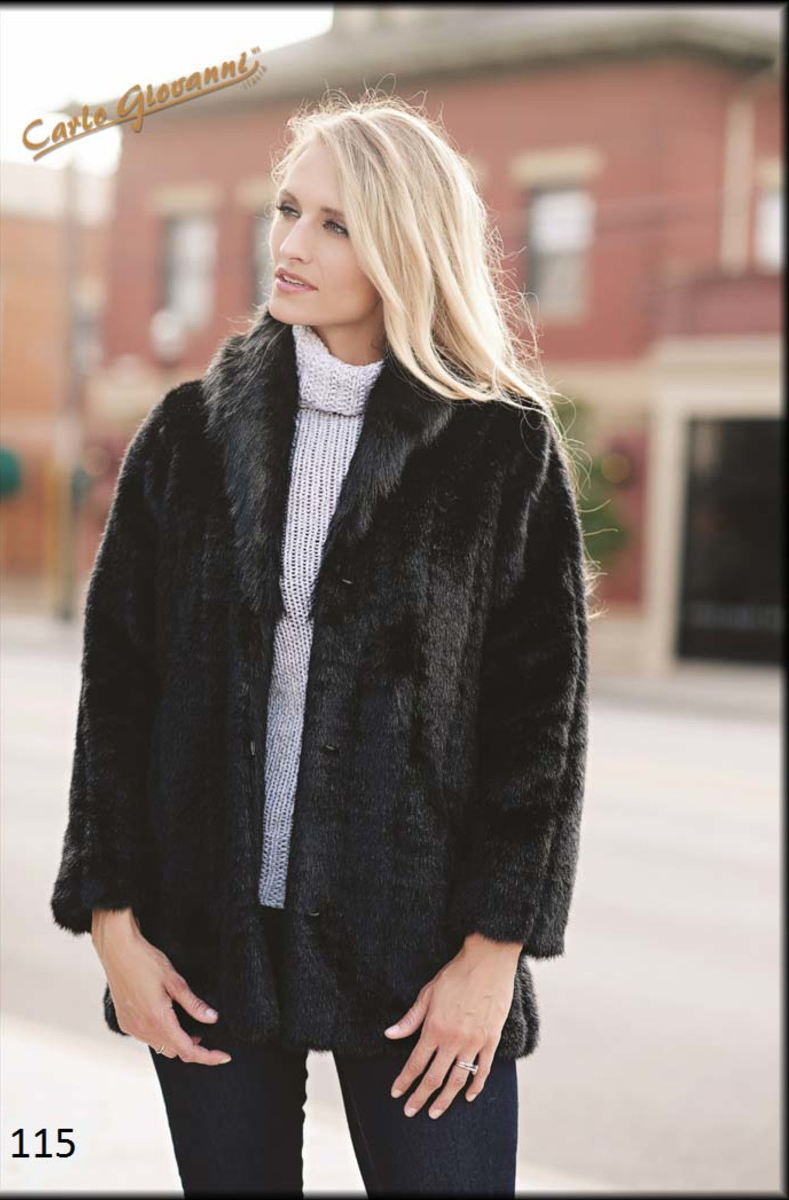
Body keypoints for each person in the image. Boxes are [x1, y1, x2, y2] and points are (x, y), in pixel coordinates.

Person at [50, 90, 594, 1196]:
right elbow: (118, 692)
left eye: (334, 224)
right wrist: (113, 924)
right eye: (287, 209)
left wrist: (493, 955)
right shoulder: (186, 436)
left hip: (418, 957)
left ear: (405, 246)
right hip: (205, 948)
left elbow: (539, 731)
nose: (291, 244)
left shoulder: (499, 450)